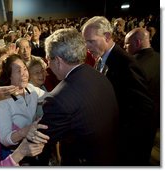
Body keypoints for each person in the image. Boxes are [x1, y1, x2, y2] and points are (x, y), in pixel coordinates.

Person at [37, 28, 119, 165]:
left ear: (58, 60)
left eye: (47, 59)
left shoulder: (57, 99)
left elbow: (42, 140)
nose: (47, 66)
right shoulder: (99, 76)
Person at [82, 16, 154, 165]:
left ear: (107, 36)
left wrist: (120, 137)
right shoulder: (102, 59)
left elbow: (143, 108)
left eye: (91, 41)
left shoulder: (126, 65)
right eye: (85, 42)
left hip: (127, 144)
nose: (87, 47)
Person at [124, 27, 160, 163]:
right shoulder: (160, 58)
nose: (124, 46)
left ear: (137, 43)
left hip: (135, 123)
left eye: (127, 44)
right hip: (155, 119)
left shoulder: (132, 65)